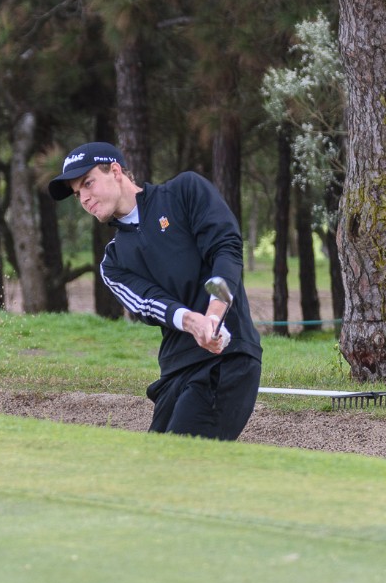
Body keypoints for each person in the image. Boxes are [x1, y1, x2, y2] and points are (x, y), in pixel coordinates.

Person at [48, 141, 262, 440]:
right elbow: (151, 304)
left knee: (178, 464)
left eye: (88, 183)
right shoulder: (113, 262)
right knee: (154, 464)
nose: (84, 198)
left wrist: (213, 316)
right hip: (177, 370)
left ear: (116, 171)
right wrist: (193, 322)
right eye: (77, 193)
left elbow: (226, 251)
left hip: (228, 357)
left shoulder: (184, 192)